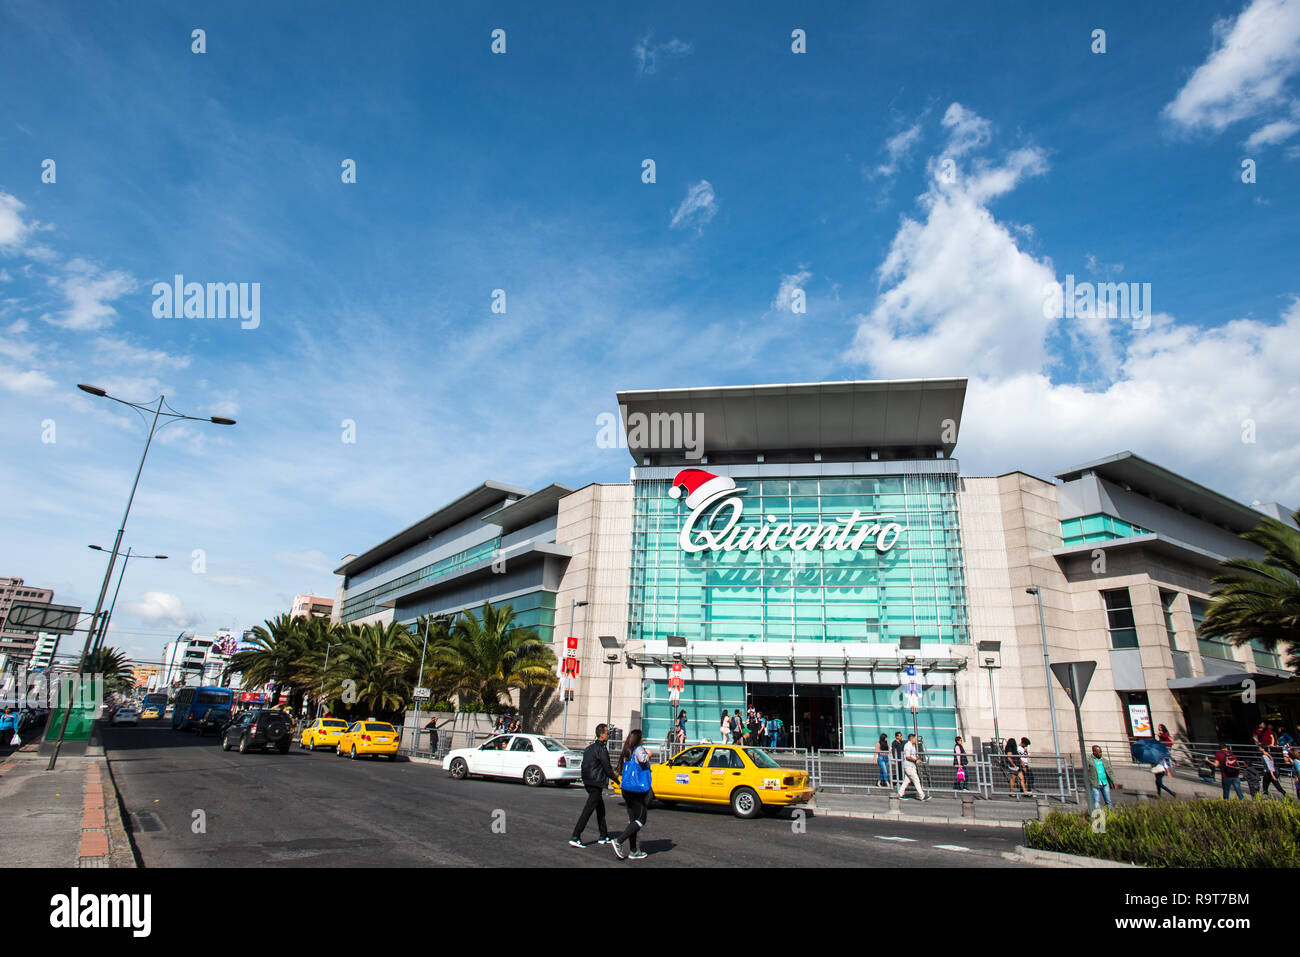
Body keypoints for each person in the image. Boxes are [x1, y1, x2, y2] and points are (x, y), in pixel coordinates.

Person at [569, 723, 617, 848]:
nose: (608, 735)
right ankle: (576, 836)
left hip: (588, 781)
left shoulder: (589, 748)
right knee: (588, 810)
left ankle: (603, 835)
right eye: (607, 733)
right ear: (601, 735)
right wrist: (618, 781)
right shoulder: (602, 750)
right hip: (596, 783)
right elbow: (607, 769)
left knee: (600, 808)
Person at [613, 729, 652, 860]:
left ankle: (634, 850)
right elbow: (642, 759)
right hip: (637, 789)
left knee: (632, 820)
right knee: (641, 819)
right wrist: (649, 754)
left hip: (627, 788)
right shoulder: (639, 749)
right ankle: (619, 840)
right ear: (638, 739)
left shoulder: (626, 750)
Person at [897, 733, 930, 801]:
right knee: (916, 780)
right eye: (915, 738)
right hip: (909, 766)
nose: (916, 740)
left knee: (907, 781)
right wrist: (916, 760)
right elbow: (908, 756)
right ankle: (922, 796)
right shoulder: (908, 746)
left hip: (911, 766)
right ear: (912, 739)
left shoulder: (912, 745)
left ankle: (900, 794)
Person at [1087, 745, 1116, 810]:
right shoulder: (1089, 760)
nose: (1101, 753)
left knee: (1108, 801)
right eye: (1099, 752)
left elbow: (1110, 771)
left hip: (1105, 783)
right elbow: (1086, 770)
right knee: (1097, 801)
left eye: (1101, 752)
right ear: (1094, 752)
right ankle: (1098, 816)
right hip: (1095, 783)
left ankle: (1110, 815)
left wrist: (1114, 782)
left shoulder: (1104, 760)